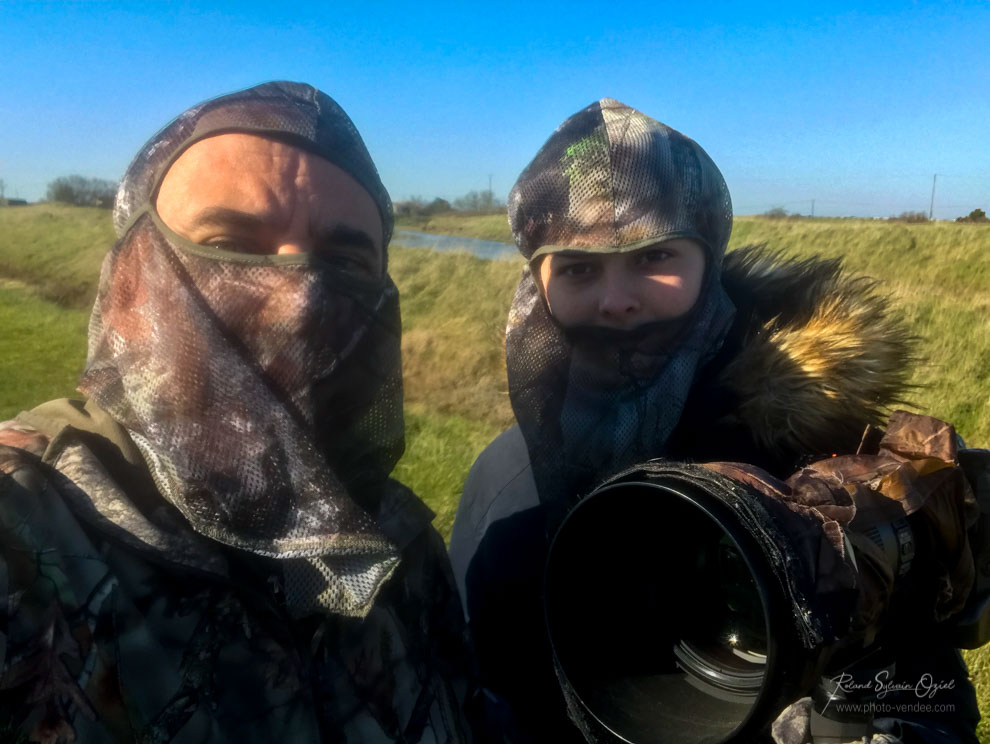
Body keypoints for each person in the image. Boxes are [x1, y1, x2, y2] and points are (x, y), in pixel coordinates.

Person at [448, 98, 982, 743]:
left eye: (654, 257)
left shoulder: (813, 447)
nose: (618, 300)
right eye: (579, 268)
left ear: (709, 257)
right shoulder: (508, 485)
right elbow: (484, 689)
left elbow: (923, 686)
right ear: (538, 283)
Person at [0, 82, 474, 742]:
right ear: (131, 286)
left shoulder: (406, 551)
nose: (297, 304)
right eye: (230, 244)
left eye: (343, 260)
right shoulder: (23, 522)